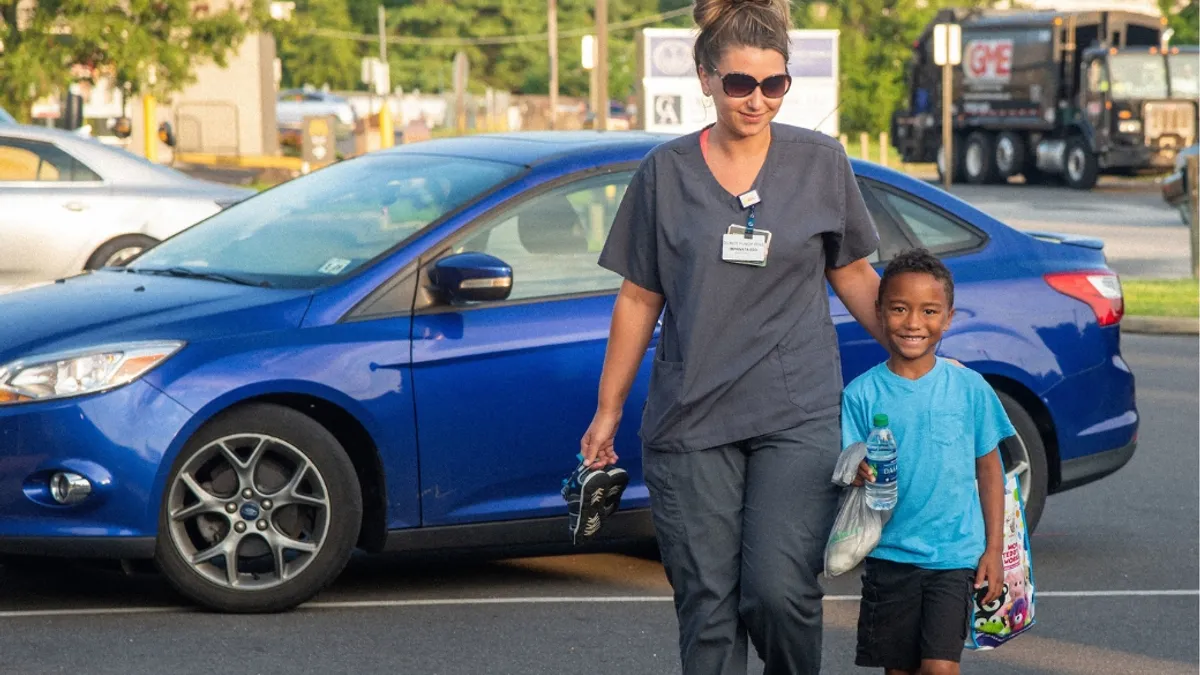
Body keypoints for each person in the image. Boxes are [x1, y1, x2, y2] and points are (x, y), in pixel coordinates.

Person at [579, 0, 885, 672]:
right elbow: (637, 297)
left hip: (796, 413)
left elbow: (855, 271)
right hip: (691, 419)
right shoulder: (664, 174)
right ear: (705, 77)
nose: (757, 100)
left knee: (778, 594)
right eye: (740, 84)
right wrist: (608, 409)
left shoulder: (821, 161)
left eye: (773, 85)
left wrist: (913, 353)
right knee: (708, 607)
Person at [843, 249, 1014, 675]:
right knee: (898, 670)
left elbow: (990, 470)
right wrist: (856, 472)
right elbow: (848, 467)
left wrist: (993, 551)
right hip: (889, 556)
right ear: (880, 312)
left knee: (940, 668)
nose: (914, 322)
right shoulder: (860, 394)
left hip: (953, 557)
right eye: (899, 309)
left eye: (929, 311)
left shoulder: (969, 387)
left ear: (949, 317)